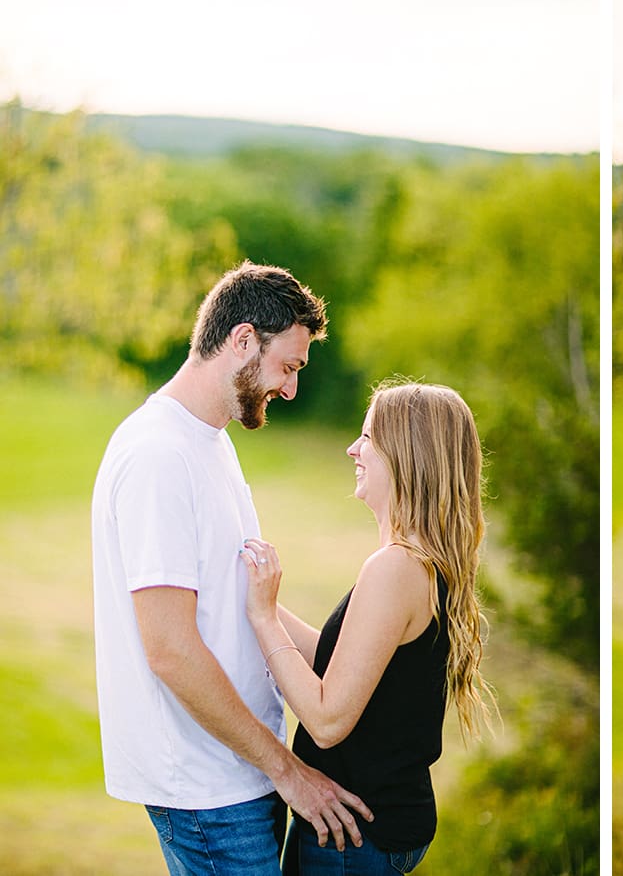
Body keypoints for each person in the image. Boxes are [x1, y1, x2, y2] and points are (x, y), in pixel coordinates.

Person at [92, 261, 371, 876]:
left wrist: (360, 662)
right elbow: (169, 649)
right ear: (243, 340)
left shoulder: (210, 441)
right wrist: (287, 770)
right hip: (206, 792)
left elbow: (244, 606)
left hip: (242, 774)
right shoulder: (157, 455)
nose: (291, 389)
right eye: (288, 367)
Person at [241, 379, 496, 875]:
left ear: (407, 456)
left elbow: (328, 719)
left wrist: (262, 617)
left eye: (368, 439)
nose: (352, 449)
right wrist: (251, 601)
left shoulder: (395, 569)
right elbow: (343, 668)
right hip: (375, 830)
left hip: (352, 840)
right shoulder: (422, 564)